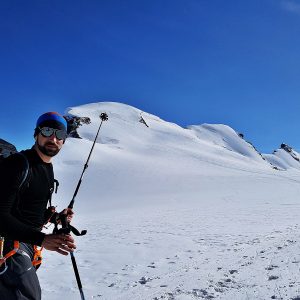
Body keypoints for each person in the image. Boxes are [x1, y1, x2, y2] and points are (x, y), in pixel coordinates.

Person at [0, 112, 76, 299]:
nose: (53, 138)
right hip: (9, 243)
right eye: (48, 131)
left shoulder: (47, 168)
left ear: (64, 141)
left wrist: (58, 217)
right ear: (36, 134)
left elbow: (29, 208)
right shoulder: (18, 164)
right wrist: (42, 239)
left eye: (59, 135)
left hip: (28, 243)